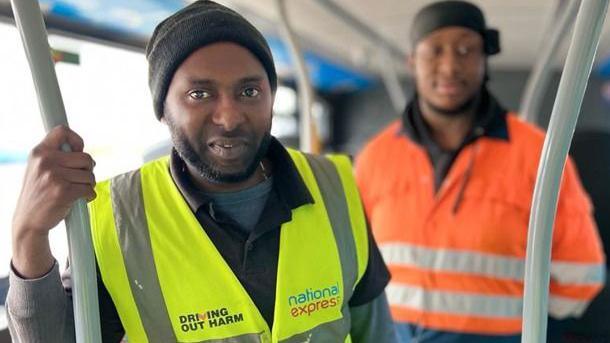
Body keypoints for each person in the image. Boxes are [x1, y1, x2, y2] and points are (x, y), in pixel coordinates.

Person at [6, 1, 396, 342]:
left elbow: (375, 331)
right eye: (199, 94)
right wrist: (29, 235)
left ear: (272, 98)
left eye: (249, 91)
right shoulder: (115, 219)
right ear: (163, 109)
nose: (229, 118)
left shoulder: (335, 186)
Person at [354, 1, 606, 342]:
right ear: (413, 62)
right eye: (435, 51)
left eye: (465, 49)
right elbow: (353, 260)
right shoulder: (375, 156)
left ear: (484, 60)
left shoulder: (538, 153)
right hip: (391, 334)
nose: (449, 66)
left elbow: (581, 273)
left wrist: (530, 325)